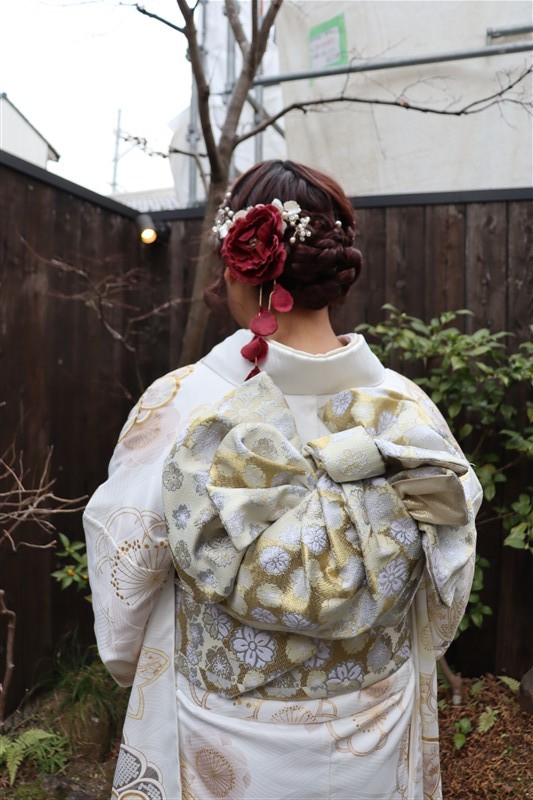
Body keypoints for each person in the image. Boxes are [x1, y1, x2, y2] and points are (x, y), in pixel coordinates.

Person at [84, 160, 482, 800]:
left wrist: (136, 659)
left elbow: (125, 576)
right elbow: (445, 592)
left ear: (247, 268)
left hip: (221, 735)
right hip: (374, 727)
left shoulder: (182, 405)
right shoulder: (407, 411)